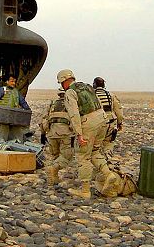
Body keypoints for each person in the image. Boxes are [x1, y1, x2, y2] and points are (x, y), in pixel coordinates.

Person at [57, 69, 117, 199]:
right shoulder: (88, 87)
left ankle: (85, 190)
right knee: (95, 151)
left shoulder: (70, 92)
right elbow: (99, 104)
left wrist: (79, 134)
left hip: (88, 123)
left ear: (64, 81)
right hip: (102, 120)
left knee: (83, 156)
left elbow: (74, 114)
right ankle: (108, 174)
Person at [40, 87, 75, 185]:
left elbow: (43, 118)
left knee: (55, 155)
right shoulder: (71, 103)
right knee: (66, 156)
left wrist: (42, 133)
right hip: (66, 133)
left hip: (51, 133)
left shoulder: (52, 104)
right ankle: (53, 169)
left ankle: (54, 178)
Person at [0, 74, 31, 141]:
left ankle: (15, 147)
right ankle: (0, 148)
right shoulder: (2, 90)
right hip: (3, 118)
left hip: (13, 118)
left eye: (14, 82)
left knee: (17, 135)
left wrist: (28, 109)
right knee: (2, 135)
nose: (13, 83)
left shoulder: (16, 92)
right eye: (12, 81)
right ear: (7, 81)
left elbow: (23, 102)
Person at [92, 77, 124, 158]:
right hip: (111, 123)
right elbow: (118, 111)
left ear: (94, 84)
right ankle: (108, 162)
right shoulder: (111, 95)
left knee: (95, 147)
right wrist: (119, 123)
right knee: (109, 144)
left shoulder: (91, 95)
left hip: (97, 124)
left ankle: (98, 164)